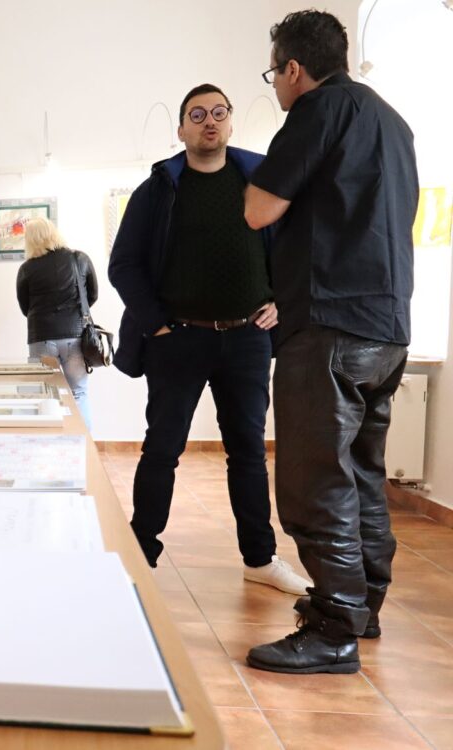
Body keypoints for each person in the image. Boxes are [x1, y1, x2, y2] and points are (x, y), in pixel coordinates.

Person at [244, 10, 418, 674]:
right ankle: (362, 607)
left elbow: (259, 209)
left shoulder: (317, 110)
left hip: (329, 323)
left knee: (315, 480)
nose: (276, 87)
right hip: (387, 327)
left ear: (293, 68)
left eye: (274, 74)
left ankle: (333, 628)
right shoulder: (392, 121)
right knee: (362, 474)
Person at [108, 83, 310, 596]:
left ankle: (260, 559)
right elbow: (123, 264)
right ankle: (141, 554)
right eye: (197, 115)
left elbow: (296, 251)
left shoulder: (259, 181)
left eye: (219, 112)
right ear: (181, 129)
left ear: (231, 122)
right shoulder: (158, 189)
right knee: (162, 449)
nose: (209, 121)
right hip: (178, 339)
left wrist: (281, 301)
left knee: (248, 452)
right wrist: (156, 323)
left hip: (247, 339)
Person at [16, 218, 97, 430]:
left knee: (45, 395)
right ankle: (83, 441)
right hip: (75, 337)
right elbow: (92, 295)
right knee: (78, 392)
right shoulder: (79, 259)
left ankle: (49, 443)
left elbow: (25, 307)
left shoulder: (26, 268)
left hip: (41, 338)